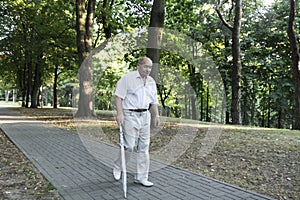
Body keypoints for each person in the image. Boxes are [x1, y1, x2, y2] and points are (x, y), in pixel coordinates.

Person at [113, 56, 160, 187]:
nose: (148, 70)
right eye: (145, 66)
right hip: (129, 114)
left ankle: (141, 177)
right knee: (129, 146)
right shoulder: (127, 79)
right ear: (138, 66)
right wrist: (120, 113)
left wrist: (156, 115)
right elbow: (118, 97)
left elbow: (153, 101)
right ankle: (118, 165)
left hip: (145, 115)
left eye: (150, 67)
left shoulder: (151, 82)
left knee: (144, 147)